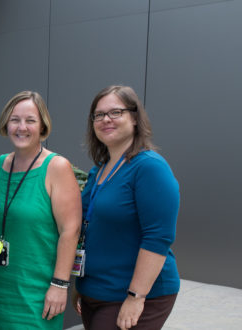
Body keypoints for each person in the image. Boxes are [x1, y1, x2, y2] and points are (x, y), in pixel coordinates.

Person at [73, 85, 180, 330]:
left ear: (134, 118)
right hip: (96, 292)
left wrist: (136, 297)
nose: (106, 119)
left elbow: (158, 237)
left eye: (115, 112)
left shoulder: (149, 168)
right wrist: (82, 285)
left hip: (136, 294)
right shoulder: (98, 170)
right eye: (98, 115)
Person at [0, 91, 81, 329]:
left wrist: (60, 285)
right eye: (15, 120)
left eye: (30, 120)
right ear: (6, 123)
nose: (21, 127)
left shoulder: (57, 167)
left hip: (37, 292)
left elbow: (70, 231)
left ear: (43, 125)